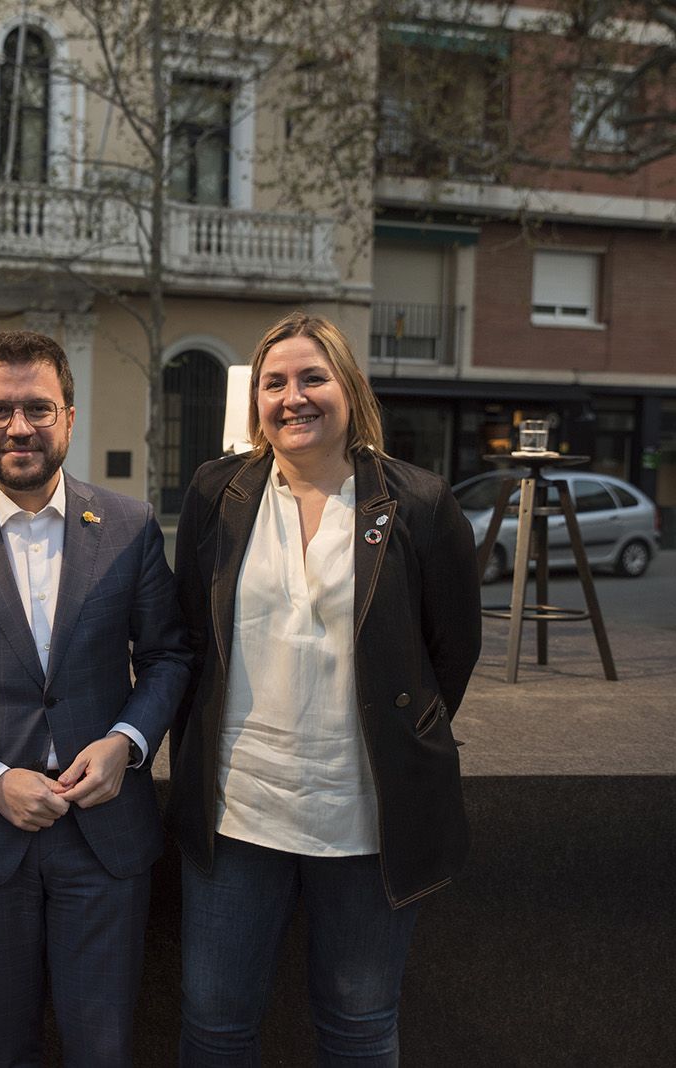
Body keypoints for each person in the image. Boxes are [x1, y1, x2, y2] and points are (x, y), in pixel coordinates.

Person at [167, 312, 481, 1066]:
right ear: (257, 400)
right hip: (238, 815)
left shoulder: (419, 503)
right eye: (275, 382)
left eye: (313, 377)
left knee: (360, 1026)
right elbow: (189, 637)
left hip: (368, 821)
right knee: (214, 1026)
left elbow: (449, 658)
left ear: (350, 388)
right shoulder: (218, 493)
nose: (292, 397)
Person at [0, 329, 190, 1067]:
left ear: (70, 419)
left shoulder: (130, 526)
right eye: (1, 410)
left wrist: (127, 743)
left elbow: (171, 655)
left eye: (39, 408)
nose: (20, 426)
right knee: (0, 1046)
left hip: (104, 836)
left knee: (103, 1047)